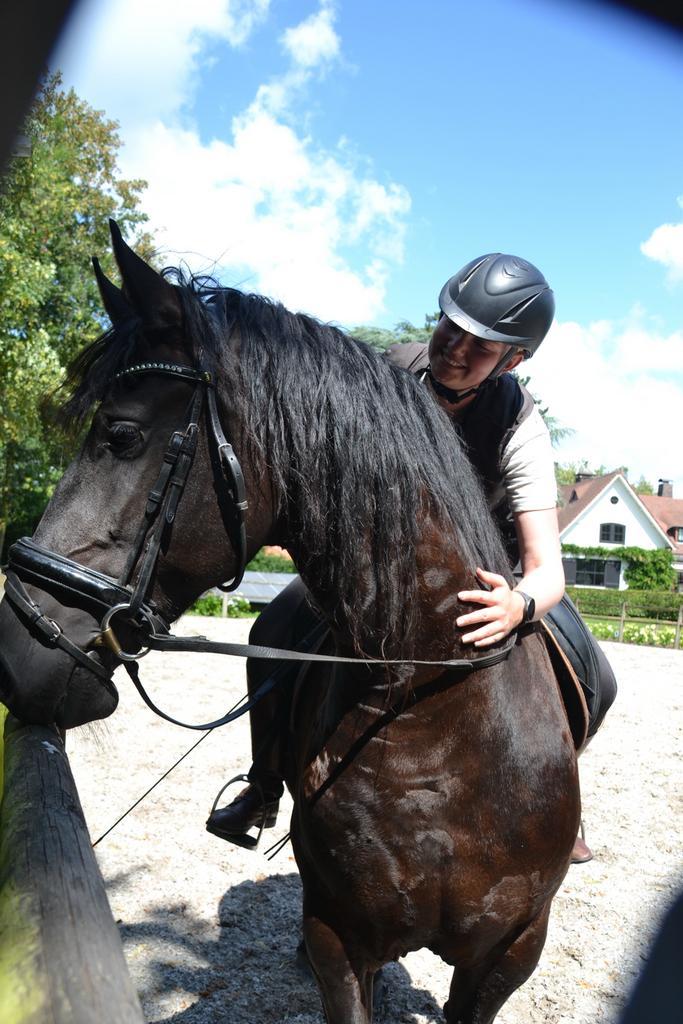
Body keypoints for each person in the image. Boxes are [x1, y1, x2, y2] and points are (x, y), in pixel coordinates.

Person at [206, 252, 617, 863]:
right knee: (273, 626)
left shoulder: (519, 424)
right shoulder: (385, 373)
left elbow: (546, 568)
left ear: (514, 360)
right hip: (371, 564)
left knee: (598, 678)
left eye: (480, 346)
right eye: (451, 327)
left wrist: (520, 604)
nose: (455, 348)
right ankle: (265, 785)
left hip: (487, 574)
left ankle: (557, 793)